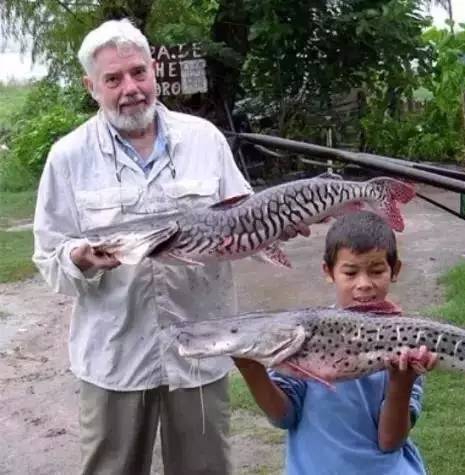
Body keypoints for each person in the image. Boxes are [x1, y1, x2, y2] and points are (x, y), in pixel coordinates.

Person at [32, 18, 252, 475]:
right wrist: (78, 259)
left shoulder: (204, 140)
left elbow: (246, 221)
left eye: (138, 72)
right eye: (113, 79)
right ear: (90, 86)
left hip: (200, 345)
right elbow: (48, 256)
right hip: (115, 357)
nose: (130, 88)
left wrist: (267, 230)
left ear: (154, 70)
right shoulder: (69, 157)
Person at [234, 210, 437, 475]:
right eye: (350, 273)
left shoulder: (408, 343)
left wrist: (401, 382)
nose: (363, 284)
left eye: (376, 271)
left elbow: (389, 442)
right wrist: (251, 368)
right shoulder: (301, 334)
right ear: (328, 271)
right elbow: (283, 416)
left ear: (394, 270)